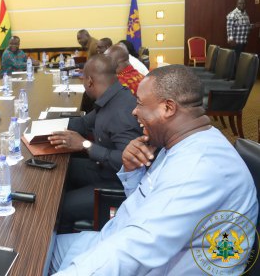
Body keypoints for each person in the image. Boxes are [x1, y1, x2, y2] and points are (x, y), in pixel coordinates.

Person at [51, 65, 258, 275]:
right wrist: (132, 171)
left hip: (144, 264)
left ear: (168, 108)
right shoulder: (182, 142)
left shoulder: (197, 168)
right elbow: (146, 205)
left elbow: (136, 249)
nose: (134, 111)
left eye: (140, 104)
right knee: (37, 249)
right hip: (113, 240)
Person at [48, 55, 142, 232]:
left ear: (90, 81)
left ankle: (65, 244)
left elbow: (127, 161)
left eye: (83, 79)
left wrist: (85, 145)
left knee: (56, 206)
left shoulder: (122, 112)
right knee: (55, 168)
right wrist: (43, 127)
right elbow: (83, 124)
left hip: (116, 185)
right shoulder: (110, 97)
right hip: (102, 169)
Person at [227, 0, 259, 64]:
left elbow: (246, 26)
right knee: (235, 60)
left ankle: (239, 73)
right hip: (235, 42)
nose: (242, 5)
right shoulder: (233, 14)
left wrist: (254, 25)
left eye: (244, 3)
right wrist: (230, 39)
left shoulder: (245, 14)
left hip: (243, 41)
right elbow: (229, 27)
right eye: (240, 3)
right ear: (237, 4)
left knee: (240, 60)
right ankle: (233, 74)